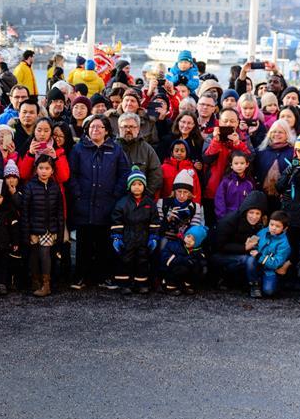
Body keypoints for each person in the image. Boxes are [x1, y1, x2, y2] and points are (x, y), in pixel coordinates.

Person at [67, 115, 130, 289]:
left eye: (99, 127)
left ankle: (104, 277)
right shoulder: (78, 149)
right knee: (83, 243)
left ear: (106, 130)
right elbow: (71, 174)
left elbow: (124, 173)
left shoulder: (116, 150)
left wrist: (115, 194)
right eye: (92, 127)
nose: (95, 130)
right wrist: (78, 193)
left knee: (104, 243)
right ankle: (81, 276)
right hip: (84, 203)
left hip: (107, 203)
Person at [110, 167, 160, 295]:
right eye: (133, 184)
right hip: (128, 236)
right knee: (126, 260)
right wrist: (117, 237)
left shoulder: (150, 203)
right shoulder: (122, 202)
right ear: (129, 186)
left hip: (143, 236)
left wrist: (153, 237)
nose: (137, 187)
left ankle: (141, 283)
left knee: (142, 260)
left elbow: (154, 222)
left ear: (144, 186)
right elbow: (117, 221)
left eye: (139, 184)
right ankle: (124, 284)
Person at [20, 154, 63, 297]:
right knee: (33, 255)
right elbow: (25, 211)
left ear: (52, 170)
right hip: (33, 228)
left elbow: (59, 212)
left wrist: (60, 232)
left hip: (49, 229)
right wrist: (26, 233)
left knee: (45, 254)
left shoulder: (55, 187)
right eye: (41, 168)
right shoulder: (30, 186)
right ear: (36, 169)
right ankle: (35, 280)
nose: (44, 171)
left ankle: (46, 285)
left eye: (47, 168)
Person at [211, 190, 268, 290]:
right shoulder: (229, 221)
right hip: (218, 255)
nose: (254, 217)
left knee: (253, 258)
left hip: (239, 251)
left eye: (257, 213)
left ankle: (238, 281)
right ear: (246, 211)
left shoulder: (260, 224)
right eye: (251, 212)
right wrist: (244, 247)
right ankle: (225, 278)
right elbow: (218, 246)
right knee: (247, 259)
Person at [246, 211, 292, 298]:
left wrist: (259, 256)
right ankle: (254, 285)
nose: (273, 228)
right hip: (258, 265)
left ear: (285, 228)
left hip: (270, 271)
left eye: (277, 226)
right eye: (271, 224)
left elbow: (276, 264)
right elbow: (255, 243)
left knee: (268, 291)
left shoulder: (284, 244)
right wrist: (251, 245)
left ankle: (274, 283)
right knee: (250, 260)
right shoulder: (263, 232)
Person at [117, 112, 162, 197]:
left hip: (140, 200)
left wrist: (146, 194)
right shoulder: (112, 148)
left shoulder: (147, 149)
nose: (128, 130)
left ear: (138, 128)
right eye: (125, 126)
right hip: (116, 200)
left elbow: (156, 174)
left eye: (132, 127)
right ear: (119, 128)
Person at [276, 136, 300, 269]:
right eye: (298, 151)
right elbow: (279, 187)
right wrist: (289, 172)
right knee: (289, 244)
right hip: (289, 213)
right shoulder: (293, 166)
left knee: (299, 246)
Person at [160, 225, 207, 294]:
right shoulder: (175, 245)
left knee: (197, 267)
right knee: (181, 267)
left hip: (185, 269)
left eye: (193, 239)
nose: (189, 240)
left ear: (198, 243)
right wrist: (186, 260)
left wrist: (195, 261)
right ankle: (169, 286)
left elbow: (203, 262)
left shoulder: (198, 251)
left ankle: (186, 285)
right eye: (188, 236)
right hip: (169, 268)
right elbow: (167, 259)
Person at [214, 153, 254, 220]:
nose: (239, 166)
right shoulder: (226, 182)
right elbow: (219, 201)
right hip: (228, 217)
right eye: (236, 163)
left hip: (244, 218)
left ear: (247, 164)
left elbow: (252, 201)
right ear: (231, 165)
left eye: (242, 163)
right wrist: (223, 218)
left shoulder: (250, 182)